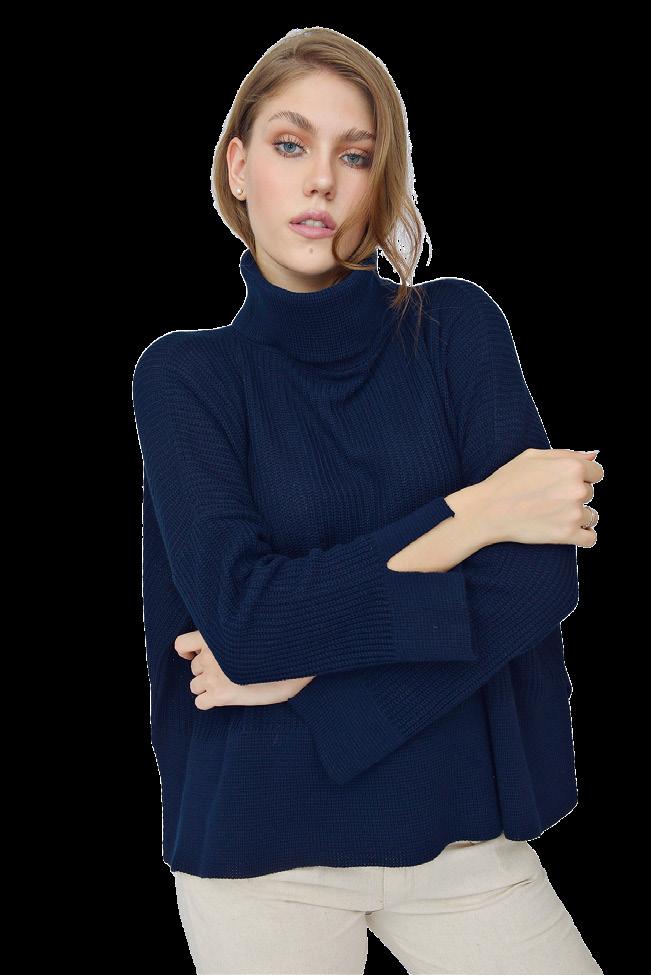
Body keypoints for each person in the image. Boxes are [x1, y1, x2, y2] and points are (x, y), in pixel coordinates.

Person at [132, 26, 604, 975]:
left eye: (354, 156)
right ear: (237, 167)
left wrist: (309, 677)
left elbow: (536, 584)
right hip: (260, 841)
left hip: (462, 827)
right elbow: (247, 620)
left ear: (381, 181)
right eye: (290, 144)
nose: (321, 181)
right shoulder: (185, 376)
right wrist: (477, 515)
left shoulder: (455, 325)